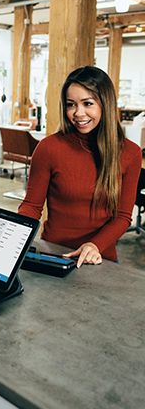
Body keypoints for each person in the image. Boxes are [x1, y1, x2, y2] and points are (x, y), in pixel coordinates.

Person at [18, 66, 142, 268]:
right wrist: (15, 235)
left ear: (105, 104)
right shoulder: (49, 148)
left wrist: (94, 245)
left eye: (88, 103)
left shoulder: (130, 153)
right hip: (53, 254)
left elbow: (122, 216)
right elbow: (32, 206)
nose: (78, 113)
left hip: (99, 259)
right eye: (71, 104)